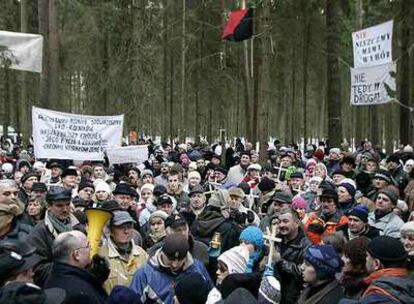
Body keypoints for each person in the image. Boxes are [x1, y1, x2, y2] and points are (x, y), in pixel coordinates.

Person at [130, 233, 213, 304]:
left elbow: (212, 296)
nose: (174, 265)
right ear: (162, 253)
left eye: (180, 259)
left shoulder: (197, 268)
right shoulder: (145, 274)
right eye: (170, 259)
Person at [27, 187, 85, 285]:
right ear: (48, 206)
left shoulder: (77, 226)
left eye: (67, 204)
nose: (65, 209)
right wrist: (69, 266)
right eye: (59, 206)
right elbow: (37, 269)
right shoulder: (38, 232)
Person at [339, 236, 414, 304]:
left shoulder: (377, 295)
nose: (365, 259)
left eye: (367, 256)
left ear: (376, 264)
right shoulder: (409, 280)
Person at [44, 231, 108, 304]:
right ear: (76, 255)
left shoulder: (50, 280)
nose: (90, 249)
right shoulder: (81, 294)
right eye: (87, 246)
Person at [99, 211, 148, 293]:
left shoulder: (142, 254)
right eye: (121, 227)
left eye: (129, 227)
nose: (126, 231)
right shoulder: (101, 255)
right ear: (111, 231)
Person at [273, 208, 312, 304]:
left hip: (291, 295)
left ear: (297, 224)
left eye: (285, 221)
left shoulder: (306, 245)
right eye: (279, 222)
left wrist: (281, 262)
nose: (281, 225)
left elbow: (303, 272)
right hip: (273, 288)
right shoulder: (275, 239)